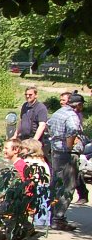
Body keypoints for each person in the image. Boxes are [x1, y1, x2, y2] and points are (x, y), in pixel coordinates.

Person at [46, 91, 83, 230]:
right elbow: (72, 131)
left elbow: (48, 125)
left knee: (56, 183)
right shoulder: (72, 115)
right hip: (67, 155)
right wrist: (69, 146)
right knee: (67, 186)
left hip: (55, 152)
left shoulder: (58, 112)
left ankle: (50, 215)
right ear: (78, 105)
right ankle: (58, 218)